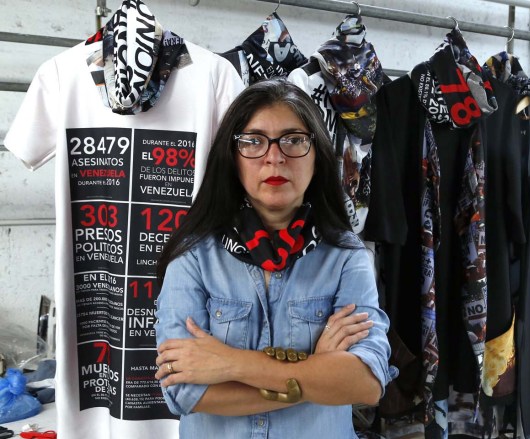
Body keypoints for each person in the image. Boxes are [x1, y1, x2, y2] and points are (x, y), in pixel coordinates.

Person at [154, 78, 394, 438]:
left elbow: (365, 383)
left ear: (317, 156)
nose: (274, 156)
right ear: (232, 157)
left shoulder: (346, 257)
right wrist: (316, 372)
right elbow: (184, 390)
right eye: (253, 141)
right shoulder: (194, 256)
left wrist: (229, 363)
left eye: (294, 140)